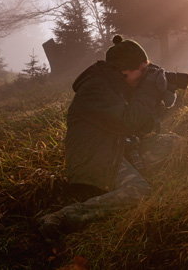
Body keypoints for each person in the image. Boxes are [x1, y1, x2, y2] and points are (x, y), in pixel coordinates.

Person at [39, 35, 178, 238]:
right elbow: (128, 120)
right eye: (142, 70)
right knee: (139, 191)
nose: (144, 75)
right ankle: (63, 217)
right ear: (124, 70)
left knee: (175, 144)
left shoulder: (117, 85)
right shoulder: (95, 88)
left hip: (117, 148)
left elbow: (141, 126)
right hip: (93, 159)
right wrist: (148, 90)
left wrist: (161, 94)